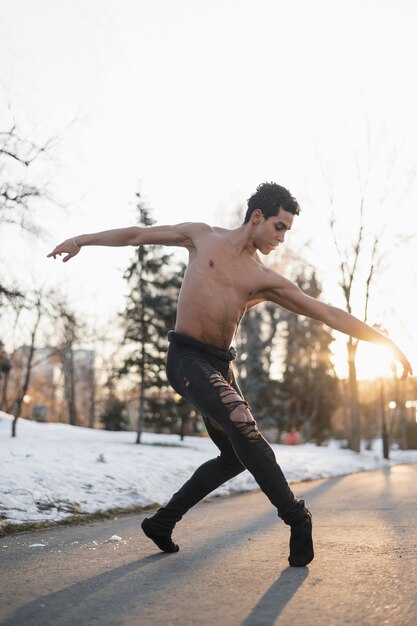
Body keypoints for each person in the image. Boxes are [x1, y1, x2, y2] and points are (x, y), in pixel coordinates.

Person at [47, 182, 413, 567]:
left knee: (234, 455)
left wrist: (385, 342)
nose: (282, 238)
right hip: (186, 358)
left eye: (286, 230)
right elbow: (137, 235)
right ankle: (297, 518)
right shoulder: (201, 236)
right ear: (257, 217)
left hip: (219, 366)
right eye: (279, 227)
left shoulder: (264, 278)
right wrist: (80, 240)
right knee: (242, 422)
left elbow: (326, 312)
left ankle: (161, 522)